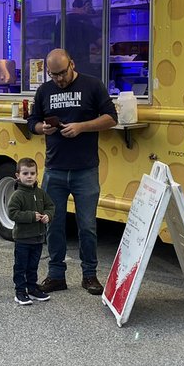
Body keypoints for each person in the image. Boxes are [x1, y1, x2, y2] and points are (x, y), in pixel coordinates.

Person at [26, 48, 117, 294]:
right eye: (53, 74)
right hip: (54, 169)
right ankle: (56, 275)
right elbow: (32, 121)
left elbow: (111, 117)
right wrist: (41, 128)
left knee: (87, 225)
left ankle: (90, 275)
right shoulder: (44, 91)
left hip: (85, 169)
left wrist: (81, 127)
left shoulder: (92, 85)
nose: (59, 79)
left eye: (62, 73)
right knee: (53, 225)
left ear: (72, 65)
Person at [7, 157, 55, 305]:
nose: (29, 177)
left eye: (32, 173)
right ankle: (20, 292)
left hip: (38, 238)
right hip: (23, 238)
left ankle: (32, 289)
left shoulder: (40, 193)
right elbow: (12, 213)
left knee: (33, 266)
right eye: (25, 173)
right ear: (18, 176)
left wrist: (48, 215)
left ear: (36, 175)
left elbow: (50, 206)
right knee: (21, 266)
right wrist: (31, 216)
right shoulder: (17, 195)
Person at [65, 0, 104, 79]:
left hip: (65, 67)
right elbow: (101, 43)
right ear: (86, 6)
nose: (88, 13)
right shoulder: (85, 21)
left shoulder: (62, 21)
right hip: (81, 67)